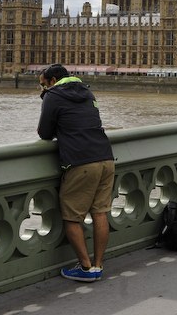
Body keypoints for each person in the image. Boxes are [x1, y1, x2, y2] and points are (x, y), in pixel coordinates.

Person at [37, 63, 115, 282]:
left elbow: (44, 133)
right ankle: (98, 265)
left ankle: (85, 267)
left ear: (52, 81)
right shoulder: (87, 91)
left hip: (81, 162)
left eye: (43, 85)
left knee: (72, 217)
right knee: (100, 213)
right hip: (106, 158)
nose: (43, 89)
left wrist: (46, 98)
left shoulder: (53, 95)